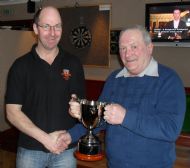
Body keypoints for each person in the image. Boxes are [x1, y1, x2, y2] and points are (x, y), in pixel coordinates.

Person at [67, 25, 186, 168]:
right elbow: (99, 119)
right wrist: (71, 133)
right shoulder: (114, 79)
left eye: (134, 46)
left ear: (150, 48)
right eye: (123, 48)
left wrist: (125, 117)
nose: (127, 54)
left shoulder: (169, 79)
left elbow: (170, 129)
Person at [5, 6, 85, 168]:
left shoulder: (74, 63)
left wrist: (77, 109)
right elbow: (12, 113)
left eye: (57, 26)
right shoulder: (20, 66)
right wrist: (46, 140)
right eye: (46, 26)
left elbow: (80, 102)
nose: (53, 32)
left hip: (65, 150)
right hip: (30, 152)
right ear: (35, 28)